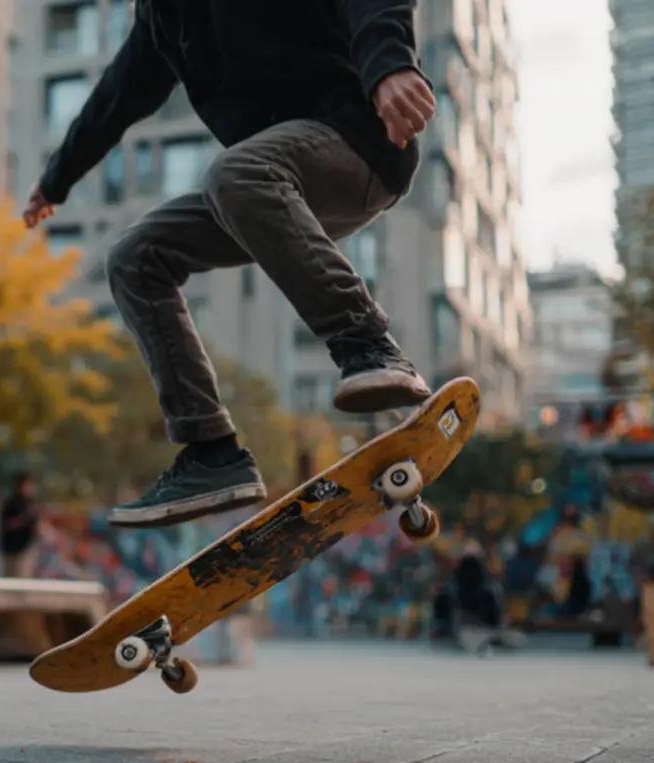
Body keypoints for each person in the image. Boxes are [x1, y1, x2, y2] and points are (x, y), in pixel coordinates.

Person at [23, 0, 435, 528]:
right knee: (135, 257)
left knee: (236, 173)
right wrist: (55, 181)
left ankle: (368, 345)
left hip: (360, 141)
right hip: (265, 191)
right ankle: (212, 452)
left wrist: (389, 64)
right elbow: (114, 100)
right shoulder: (161, 19)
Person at [0, 473, 41, 577]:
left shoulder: (31, 504)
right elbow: (6, 524)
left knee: (22, 582)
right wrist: (23, 519)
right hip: (9, 551)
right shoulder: (10, 504)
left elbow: (37, 529)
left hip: (24, 551)